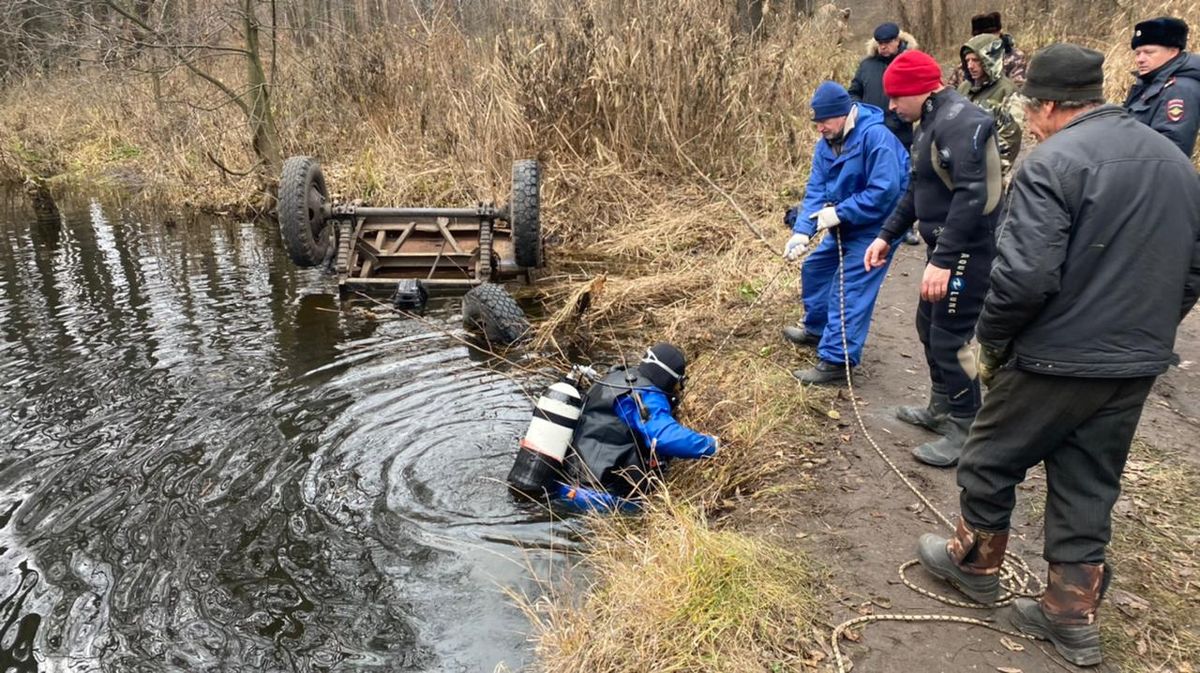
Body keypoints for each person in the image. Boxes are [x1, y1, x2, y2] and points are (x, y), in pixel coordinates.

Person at [914, 44, 1200, 668]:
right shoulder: (1176, 163)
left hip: (1054, 358)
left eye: (1031, 109)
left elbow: (1023, 279)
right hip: (1135, 363)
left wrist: (990, 344)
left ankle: (974, 565)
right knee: (1087, 477)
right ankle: (1071, 616)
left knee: (989, 457)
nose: (1031, 120)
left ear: (1047, 103)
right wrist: (1146, 331)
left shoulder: (1052, 164)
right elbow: (1192, 270)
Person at [863, 49, 1003, 468]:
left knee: (950, 337)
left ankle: (966, 427)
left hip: (967, 251)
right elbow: (917, 190)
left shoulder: (963, 122)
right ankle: (941, 407)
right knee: (928, 326)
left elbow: (971, 196)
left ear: (921, 90)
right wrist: (887, 235)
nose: (890, 106)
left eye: (895, 97)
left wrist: (944, 259)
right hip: (943, 247)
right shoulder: (930, 123)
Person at [781, 82, 909, 384]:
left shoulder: (875, 137)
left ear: (843, 114)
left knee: (849, 287)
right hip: (848, 220)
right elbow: (815, 189)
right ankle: (817, 329)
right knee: (815, 268)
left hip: (880, 226)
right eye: (816, 122)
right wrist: (802, 232)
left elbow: (885, 191)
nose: (819, 128)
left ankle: (838, 361)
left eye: (824, 121)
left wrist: (839, 212)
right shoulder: (825, 143)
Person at [557, 343, 718, 512]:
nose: (679, 390)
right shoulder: (646, 395)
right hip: (602, 498)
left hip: (566, 483)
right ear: (669, 378)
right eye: (679, 384)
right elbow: (664, 437)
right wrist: (711, 445)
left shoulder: (612, 379)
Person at [849, 21, 921, 245]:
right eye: (880, 43)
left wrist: (901, 117)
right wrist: (860, 112)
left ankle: (905, 227)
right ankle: (876, 226)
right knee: (873, 178)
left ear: (898, 41)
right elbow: (853, 92)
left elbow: (919, 93)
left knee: (903, 180)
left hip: (900, 132)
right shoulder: (867, 65)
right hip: (870, 133)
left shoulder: (909, 63)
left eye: (887, 43)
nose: (883, 47)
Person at [1124, 16, 1200, 157]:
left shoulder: (1179, 90)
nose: (1140, 59)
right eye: (1138, 53)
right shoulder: (1152, 84)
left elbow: (1170, 149)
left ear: (1173, 52)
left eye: (1148, 52)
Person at [956, 33, 1023, 177]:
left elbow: (1011, 139)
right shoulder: (964, 88)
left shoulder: (1007, 91)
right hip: (959, 170)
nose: (970, 66)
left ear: (990, 59)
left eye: (976, 60)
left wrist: (988, 172)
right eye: (967, 60)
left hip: (990, 175)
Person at [948, 12, 1028, 88]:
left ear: (999, 33)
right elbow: (952, 90)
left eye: (989, 36)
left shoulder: (1015, 57)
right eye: (980, 37)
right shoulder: (968, 60)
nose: (985, 41)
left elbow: (1017, 89)